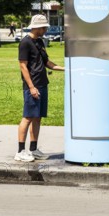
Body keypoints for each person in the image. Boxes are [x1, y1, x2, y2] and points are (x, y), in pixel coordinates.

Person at [15, 14, 64, 162]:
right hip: (33, 85)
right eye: (43, 27)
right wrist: (31, 87)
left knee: (37, 117)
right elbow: (23, 66)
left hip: (42, 83)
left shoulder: (40, 42)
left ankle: (33, 149)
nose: (45, 30)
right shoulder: (25, 43)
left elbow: (47, 62)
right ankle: (20, 151)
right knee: (28, 117)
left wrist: (64, 68)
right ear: (36, 27)